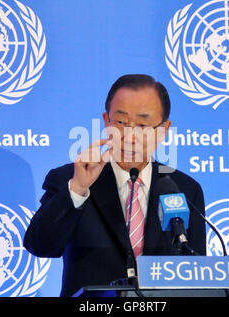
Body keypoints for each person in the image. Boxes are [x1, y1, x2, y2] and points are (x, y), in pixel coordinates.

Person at [24, 74, 206, 297]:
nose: (129, 136)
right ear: (105, 121)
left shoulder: (184, 189)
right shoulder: (69, 179)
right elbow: (40, 246)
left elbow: (196, 276)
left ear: (163, 130)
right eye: (120, 122)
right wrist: (78, 190)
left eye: (142, 125)